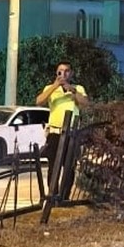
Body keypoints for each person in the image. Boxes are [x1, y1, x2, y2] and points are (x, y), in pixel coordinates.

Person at [35, 61, 88, 192]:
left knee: (69, 166)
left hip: (71, 133)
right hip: (55, 133)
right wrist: (55, 86)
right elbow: (39, 101)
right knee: (53, 166)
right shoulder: (50, 88)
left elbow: (85, 103)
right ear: (56, 72)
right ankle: (53, 194)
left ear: (71, 73)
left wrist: (72, 90)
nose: (63, 74)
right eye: (60, 71)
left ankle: (65, 196)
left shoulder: (78, 88)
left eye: (67, 71)